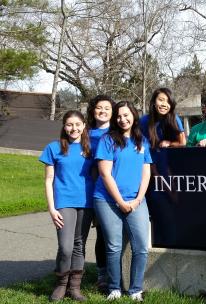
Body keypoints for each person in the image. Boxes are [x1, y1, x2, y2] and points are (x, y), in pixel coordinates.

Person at [93, 101, 152, 301]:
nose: (122, 119)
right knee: (114, 246)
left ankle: (136, 289)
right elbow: (105, 174)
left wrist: (137, 200)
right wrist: (119, 201)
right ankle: (114, 288)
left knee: (141, 247)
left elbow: (146, 174)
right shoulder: (107, 140)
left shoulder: (142, 141)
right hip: (107, 201)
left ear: (134, 116)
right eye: (118, 116)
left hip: (136, 201)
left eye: (126, 115)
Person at [39, 110, 94, 301]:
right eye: (69, 124)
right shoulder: (53, 148)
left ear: (84, 126)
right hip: (63, 202)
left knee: (79, 245)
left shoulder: (90, 149)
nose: (74, 128)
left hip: (86, 203)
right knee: (66, 247)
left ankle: (74, 287)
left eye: (78, 124)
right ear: (64, 126)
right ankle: (61, 284)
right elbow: (48, 180)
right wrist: (51, 208)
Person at [86, 94, 115, 292]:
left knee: (111, 235)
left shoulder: (118, 132)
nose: (102, 111)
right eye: (99, 107)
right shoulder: (84, 134)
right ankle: (101, 275)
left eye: (107, 108)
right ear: (93, 110)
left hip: (114, 189)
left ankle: (116, 274)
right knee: (101, 235)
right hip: (91, 190)